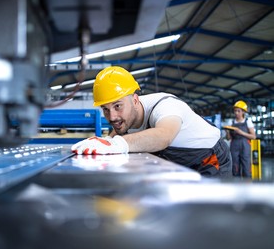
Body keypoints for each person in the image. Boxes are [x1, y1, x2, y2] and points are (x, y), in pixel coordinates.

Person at [71, 66, 232, 177]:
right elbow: (117, 134)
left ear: (135, 100)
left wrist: (116, 144)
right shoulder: (125, 118)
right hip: (181, 163)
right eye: (105, 109)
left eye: (118, 106)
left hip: (210, 158)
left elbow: (163, 136)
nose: (112, 116)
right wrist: (105, 142)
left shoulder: (165, 106)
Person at [226, 100, 256, 178]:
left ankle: (248, 187)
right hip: (234, 146)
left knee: (246, 168)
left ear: (243, 112)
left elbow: (253, 136)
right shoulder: (231, 122)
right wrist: (228, 132)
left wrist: (241, 132)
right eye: (235, 111)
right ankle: (237, 187)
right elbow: (228, 138)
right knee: (235, 168)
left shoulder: (248, 122)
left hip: (245, 146)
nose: (236, 113)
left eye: (238, 111)